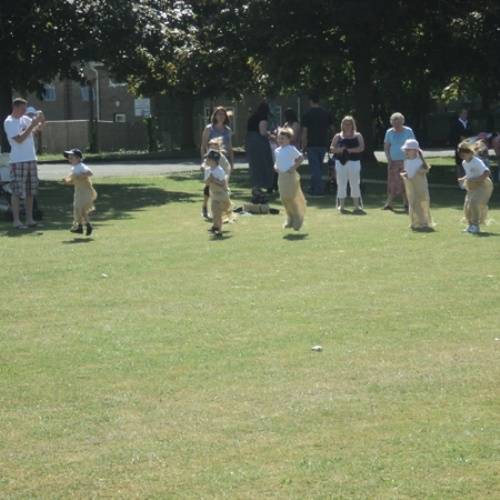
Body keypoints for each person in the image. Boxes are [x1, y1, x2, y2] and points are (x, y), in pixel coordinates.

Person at [3, 97, 45, 229]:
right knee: (16, 191)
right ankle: (16, 221)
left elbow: (39, 129)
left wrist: (42, 120)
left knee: (30, 191)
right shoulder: (9, 122)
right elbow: (19, 139)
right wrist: (32, 125)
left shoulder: (25, 119)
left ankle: (29, 220)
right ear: (16, 107)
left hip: (31, 158)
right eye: (22, 108)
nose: (24, 111)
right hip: (18, 160)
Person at [200, 106, 234, 218]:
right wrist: (204, 162)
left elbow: (229, 147)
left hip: (223, 160)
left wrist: (232, 162)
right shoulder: (209, 128)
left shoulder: (227, 130)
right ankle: (205, 206)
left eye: (223, 114)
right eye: (219, 114)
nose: (221, 116)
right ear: (214, 116)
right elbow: (203, 146)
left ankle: (222, 209)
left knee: (222, 184)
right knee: (209, 183)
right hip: (211, 160)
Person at [301, 92, 334, 198]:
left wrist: (303, 145)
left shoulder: (307, 115)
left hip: (312, 144)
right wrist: (332, 140)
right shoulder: (326, 113)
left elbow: (304, 131)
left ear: (310, 101)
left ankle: (318, 191)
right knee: (317, 167)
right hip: (323, 143)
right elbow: (332, 128)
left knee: (315, 168)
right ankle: (312, 188)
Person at [329, 115, 365, 213]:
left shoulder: (358, 135)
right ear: (342, 125)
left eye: (349, 124)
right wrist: (339, 150)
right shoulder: (338, 136)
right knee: (341, 183)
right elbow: (331, 148)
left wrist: (350, 150)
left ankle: (357, 206)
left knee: (355, 183)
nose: (347, 126)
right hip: (340, 162)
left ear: (352, 125)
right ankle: (341, 206)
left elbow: (361, 148)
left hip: (354, 162)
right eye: (345, 124)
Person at [457, 141, 493, 234]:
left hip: (483, 185)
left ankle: (475, 226)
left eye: (463, 155)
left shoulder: (476, 162)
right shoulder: (464, 163)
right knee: (467, 206)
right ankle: (470, 226)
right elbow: (470, 173)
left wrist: (477, 180)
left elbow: (487, 172)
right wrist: (463, 179)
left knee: (473, 203)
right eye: (460, 155)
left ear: (469, 152)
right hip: (472, 186)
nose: (462, 157)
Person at [274, 127, 306, 231]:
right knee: (284, 198)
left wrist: (293, 168)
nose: (280, 140)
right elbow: (277, 161)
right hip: (281, 177)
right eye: (279, 138)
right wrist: (275, 167)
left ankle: (298, 218)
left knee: (291, 197)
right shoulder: (277, 151)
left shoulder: (290, 149)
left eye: (282, 138)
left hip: (290, 176)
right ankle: (290, 218)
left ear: (288, 139)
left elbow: (300, 158)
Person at [382, 112, 415, 210]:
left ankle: (406, 203)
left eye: (399, 123)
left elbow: (413, 145)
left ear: (402, 122)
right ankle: (389, 203)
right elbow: (386, 147)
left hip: (406, 161)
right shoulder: (389, 132)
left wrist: (410, 158)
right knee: (392, 182)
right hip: (393, 161)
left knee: (405, 181)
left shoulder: (408, 131)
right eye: (394, 123)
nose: (397, 125)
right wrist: (389, 159)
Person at [62, 148, 97, 236]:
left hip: (86, 192)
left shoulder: (81, 166)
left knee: (81, 209)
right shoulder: (73, 169)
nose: (70, 160)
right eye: (69, 158)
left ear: (78, 158)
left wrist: (80, 176)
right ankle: (82, 226)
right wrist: (67, 182)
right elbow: (73, 181)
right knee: (79, 210)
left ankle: (84, 226)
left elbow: (90, 173)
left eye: (72, 158)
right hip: (78, 192)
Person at [400, 139, 433, 230]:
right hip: (411, 186)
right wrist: (405, 174)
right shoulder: (406, 162)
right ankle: (415, 221)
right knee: (413, 203)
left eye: (408, 149)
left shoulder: (419, 161)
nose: (406, 152)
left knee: (420, 203)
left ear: (415, 150)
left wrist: (421, 171)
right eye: (406, 150)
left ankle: (423, 221)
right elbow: (408, 172)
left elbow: (426, 169)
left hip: (420, 185)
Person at [245, 103, 275, 199]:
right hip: (258, 142)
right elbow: (262, 132)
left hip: (250, 140)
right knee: (262, 163)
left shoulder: (252, 117)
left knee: (254, 164)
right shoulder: (263, 118)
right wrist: (270, 135)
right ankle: (258, 187)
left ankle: (256, 186)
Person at [199, 137, 232, 219]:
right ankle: (205, 206)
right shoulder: (209, 157)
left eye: (215, 149)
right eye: (211, 149)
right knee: (207, 190)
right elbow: (205, 163)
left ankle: (225, 212)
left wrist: (223, 179)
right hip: (211, 179)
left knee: (222, 195)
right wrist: (203, 166)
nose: (213, 151)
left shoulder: (222, 159)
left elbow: (227, 169)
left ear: (219, 149)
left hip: (220, 180)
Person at [204, 149, 232, 237]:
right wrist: (208, 180)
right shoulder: (207, 170)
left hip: (222, 194)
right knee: (215, 211)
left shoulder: (219, 170)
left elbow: (223, 183)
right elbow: (207, 183)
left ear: (214, 161)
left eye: (209, 159)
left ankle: (218, 229)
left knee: (216, 209)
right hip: (214, 193)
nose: (207, 161)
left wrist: (213, 180)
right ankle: (216, 226)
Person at [450, 108, 473, 188]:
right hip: (459, 147)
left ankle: (467, 182)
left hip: (468, 147)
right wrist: (460, 137)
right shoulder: (456, 124)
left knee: (467, 163)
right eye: (463, 113)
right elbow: (452, 135)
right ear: (459, 114)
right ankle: (460, 183)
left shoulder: (468, 123)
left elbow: (471, 133)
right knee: (460, 164)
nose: (465, 115)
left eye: (466, 113)